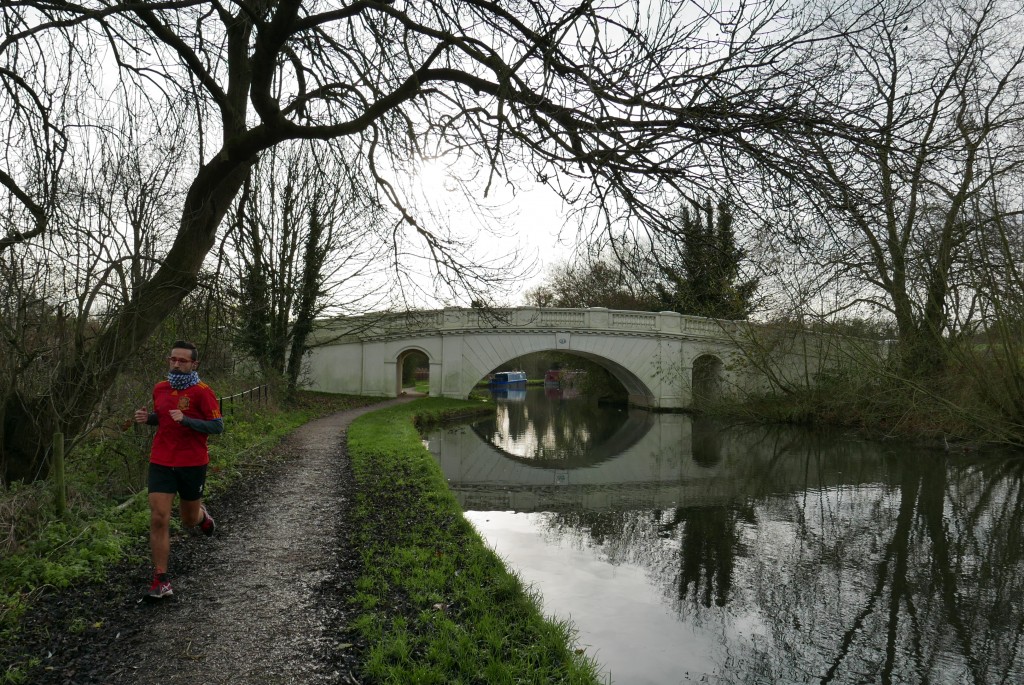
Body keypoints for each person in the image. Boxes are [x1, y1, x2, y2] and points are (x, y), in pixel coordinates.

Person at [134, 340, 224, 600]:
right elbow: (162, 418)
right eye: (172, 359)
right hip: (161, 460)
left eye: (182, 360)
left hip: (192, 462)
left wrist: (187, 420)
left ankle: (202, 517)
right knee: (159, 517)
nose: (176, 364)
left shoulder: (202, 392)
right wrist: (147, 418)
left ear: (194, 364)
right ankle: (161, 579)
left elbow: (217, 426)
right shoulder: (160, 388)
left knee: (187, 520)